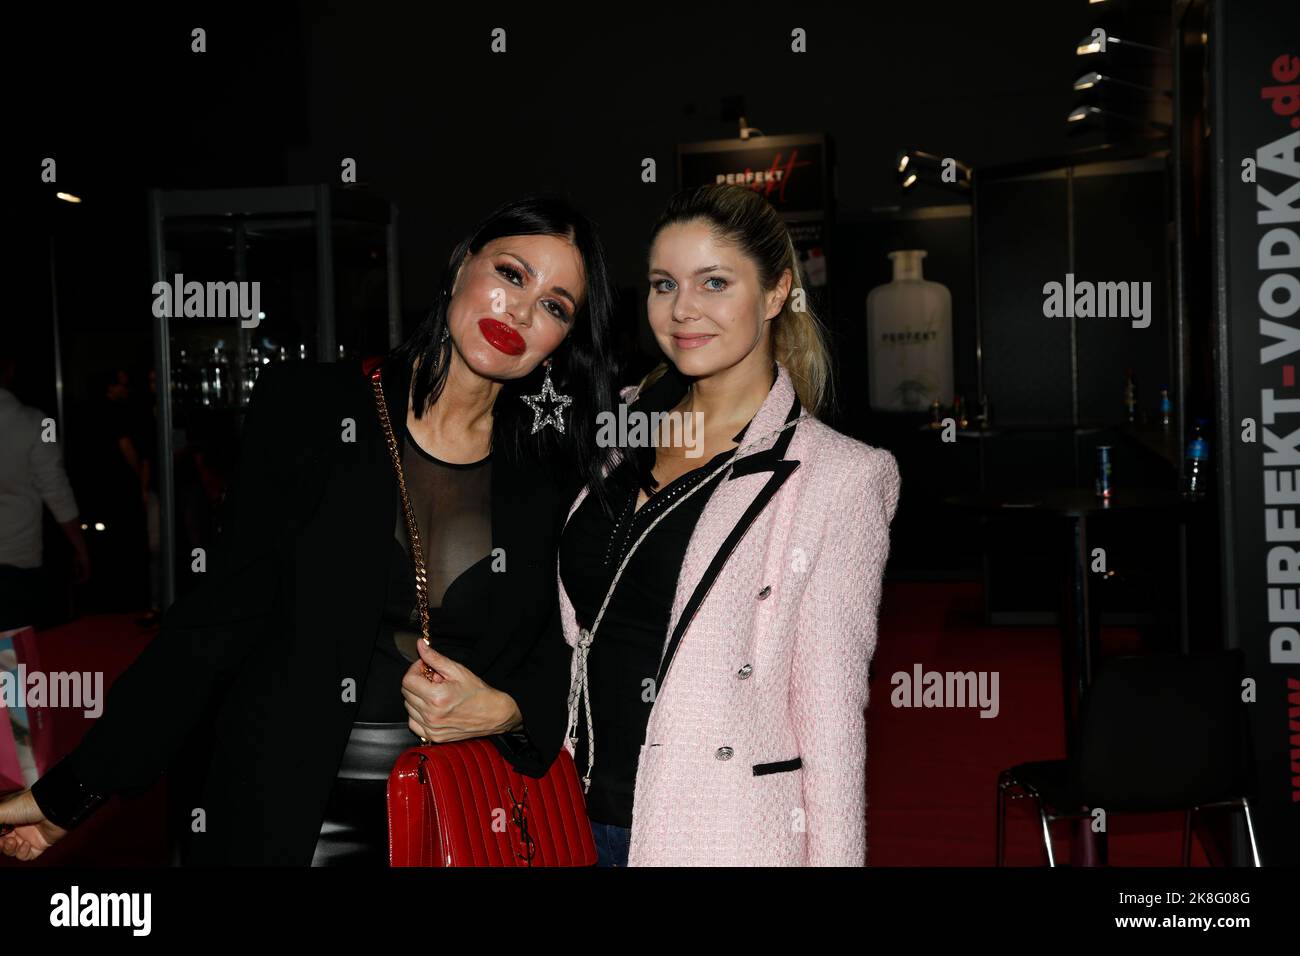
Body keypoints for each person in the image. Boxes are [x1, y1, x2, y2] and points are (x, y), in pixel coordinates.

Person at [0, 196, 617, 865]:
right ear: (463, 264)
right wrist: (77, 788)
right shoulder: (312, 410)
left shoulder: (552, 471)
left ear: (564, 340)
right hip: (290, 814)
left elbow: (569, 651)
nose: (522, 311)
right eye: (512, 273)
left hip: (459, 815)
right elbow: (218, 621)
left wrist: (509, 710)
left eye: (556, 305)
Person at [559, 184, 901, 866]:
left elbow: (829, 720)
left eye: (714, 282)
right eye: (663, 284)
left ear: (776, 294)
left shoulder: (839, 478)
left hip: (712, 830)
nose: (683, 309)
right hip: (567, 815)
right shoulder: (619, 428)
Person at [0, 343, 90, 630]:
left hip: (16, 562)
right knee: (10, 661)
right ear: (10, 370)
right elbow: (56, 489)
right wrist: (80, 547)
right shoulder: (38, 422)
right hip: (15, 560)